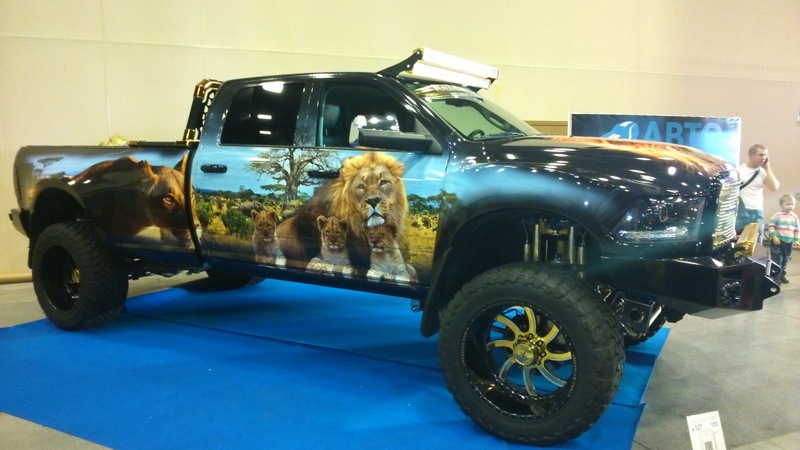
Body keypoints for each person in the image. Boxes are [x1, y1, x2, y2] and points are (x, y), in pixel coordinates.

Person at [737, 144, 780, 239]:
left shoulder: (763, 172)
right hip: (741, 211)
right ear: (751, 155)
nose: (764, 158)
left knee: (756, 241)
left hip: (757, 211)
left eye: (766, 155)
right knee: (739, 240)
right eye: (760, 155)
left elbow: (774, 187)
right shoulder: (739, 170)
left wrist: (767, 167)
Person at [767, 194, 800, 284]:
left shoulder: (795, 217)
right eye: (787, 204)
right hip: (778, 241)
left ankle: (781, 275)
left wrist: (797, 240)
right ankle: (775, 277)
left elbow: (797, 229)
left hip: (788, 242)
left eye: (792, 204)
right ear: (781, 205)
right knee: (777, 259)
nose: (790, 206)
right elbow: (771, 226)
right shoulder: (777, 215)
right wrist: (774, 236)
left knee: (785, 259)